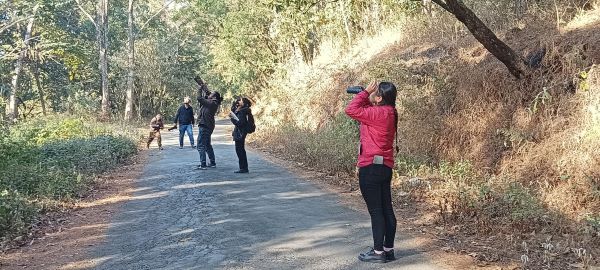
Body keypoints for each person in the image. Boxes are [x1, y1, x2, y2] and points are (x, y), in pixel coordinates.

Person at [345, 81, 398, 264]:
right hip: (385, 167)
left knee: (376, 212)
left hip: (370, 168)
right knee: (387, 209)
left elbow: (351, 110)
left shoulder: (376, 113)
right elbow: (369, 112)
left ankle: (377, 253)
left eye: (375, 93)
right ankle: (387, 250)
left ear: (380, 98)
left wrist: (363, 93)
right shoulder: (390, 111)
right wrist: (367, 96)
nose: (371, 94)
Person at [196, 81, 222, 170]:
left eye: (212, 94)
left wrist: (200, 88)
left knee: (200, 145)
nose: (210, 94)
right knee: (207, 145)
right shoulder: (212, 103)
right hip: (208, 125)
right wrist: (205, 89)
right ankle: (212, 162)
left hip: (205, 126)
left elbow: (199, 98)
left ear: (214, 97)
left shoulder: (211, 103)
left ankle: (203, 164)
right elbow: (205, 98)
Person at [229, 97, 252, 173]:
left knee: (239, 150)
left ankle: (243, 168)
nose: (239, 101)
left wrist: (232, 118)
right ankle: (243, 167)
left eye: (240, 101)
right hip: (242, 131)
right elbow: (233, 111)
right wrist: (235, 106)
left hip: (240, 132)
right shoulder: (244, 110)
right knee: (241, 149)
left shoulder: (243, 111)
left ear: (244, 103)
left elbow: (240, 123)